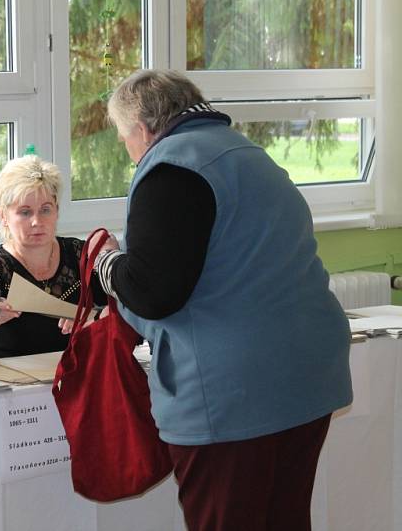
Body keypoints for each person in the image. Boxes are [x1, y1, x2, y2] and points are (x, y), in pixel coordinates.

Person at [93, 70, 352, 530]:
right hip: (307, 375)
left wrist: (107, 265)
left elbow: (156, 294)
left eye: (122, 137)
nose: (128, 150)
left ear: (144, 127)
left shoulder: (170, 168)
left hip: (234, 395)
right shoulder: (250, 155)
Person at [0, 155, 104, 360]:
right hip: (11, 383)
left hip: (76, 375)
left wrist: (95, 317)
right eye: (25, 212)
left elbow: (120, 304)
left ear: (57, 211)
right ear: (4, 217)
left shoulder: (80, 253)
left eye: (45, 210)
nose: (37, 221)